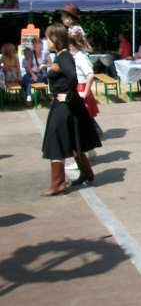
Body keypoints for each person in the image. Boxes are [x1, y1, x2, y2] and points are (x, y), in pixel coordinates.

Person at [40, 24, 101, 196]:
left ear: (55, 39)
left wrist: (67, 96)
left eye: (48, 37)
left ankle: (58, 184)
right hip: (65, 105)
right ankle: (86, 173)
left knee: (56, 141)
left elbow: (72, 76)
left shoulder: (64, 56)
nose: (46, 41)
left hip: (64, 105)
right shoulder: (62, 56)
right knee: (74, 140)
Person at [65, 29, 103, 175]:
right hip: (78, 89)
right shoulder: (75, 56)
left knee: (79, 126)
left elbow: (90, 75)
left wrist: (85, 93)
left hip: (81, 91)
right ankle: (90, 150)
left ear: (71, 45)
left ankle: (81, 158)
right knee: (84, 124)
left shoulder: (80, 57)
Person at [22, 38, 52, 106]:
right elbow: (28, 66)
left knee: (28, 80)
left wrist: (44, 65)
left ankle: (28, 96)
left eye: (36, 43)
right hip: (32, 72)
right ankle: (29, 95)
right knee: (24, 78)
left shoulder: (45, 53)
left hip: (41, 74)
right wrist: (33, 75)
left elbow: (51, 64)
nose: (35, 45)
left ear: (40, 44)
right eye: (33, 44)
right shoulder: (31, 53)